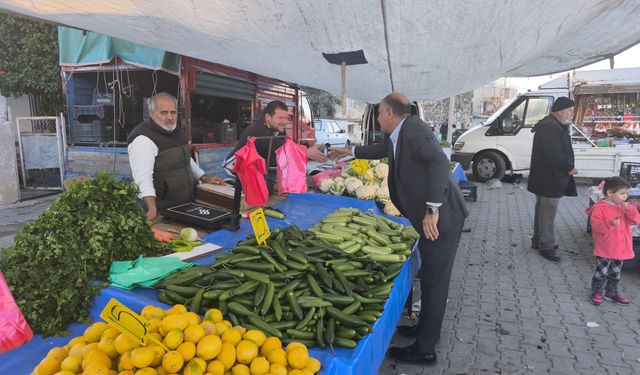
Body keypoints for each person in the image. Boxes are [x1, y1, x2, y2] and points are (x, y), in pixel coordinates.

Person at [330, 93, 468, 364]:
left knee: (435, 282)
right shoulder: (400, 133)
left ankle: (425, 349)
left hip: (442, 220)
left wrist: (432, 208)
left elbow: (439, 162)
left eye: (379, 113)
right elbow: (383, 151)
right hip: (434, 219)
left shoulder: (414, 130)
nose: (378, 118)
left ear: (390, 113)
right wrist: (351, 152)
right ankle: (425, 330)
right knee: (429, 276)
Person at [128, 92, 224, 220]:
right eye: (164, 113)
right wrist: (151, 208)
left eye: (173, 112)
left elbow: (186, 160)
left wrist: (205, 178)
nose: (170, 117)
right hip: (161, 210)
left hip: (183, 204)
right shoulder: (143, 139)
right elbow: (143, 177)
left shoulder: (176, 132)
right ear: (151, 114)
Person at [528, 97, 578, 261]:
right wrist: (569, 167)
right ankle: (547, 247)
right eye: (570, 110)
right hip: (549, 178)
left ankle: (538, 240)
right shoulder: (551, 128)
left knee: (542, 211)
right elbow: (554, 155)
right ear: (561, 111)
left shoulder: (553, 125)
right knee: (547, 214)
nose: (572, 114)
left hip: (546, 178)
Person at [586, 176, 640, 306]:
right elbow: (596, 226)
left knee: (616, 272)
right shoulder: (600, 208)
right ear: (610, 193)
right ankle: (597, 291)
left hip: (621, 246)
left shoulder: (624, 206)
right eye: (622, 193)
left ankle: (611, 291)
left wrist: (631, 210)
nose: (625, 196)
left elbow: (636, 221)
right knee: (602, 271)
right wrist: (610, 223)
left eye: (626, 193)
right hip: (605, 246)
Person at [226, 100, 326, 167]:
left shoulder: (278, 128)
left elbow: (284, 149)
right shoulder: (257, 129)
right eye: (280, 118)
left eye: (286, 118)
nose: (284, 121)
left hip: (256, 169)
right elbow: (278, 146)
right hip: (234, 170)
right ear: (268, 117)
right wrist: (306, 152)